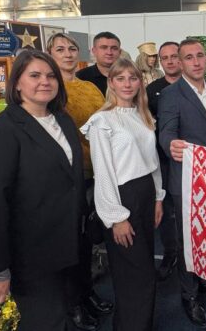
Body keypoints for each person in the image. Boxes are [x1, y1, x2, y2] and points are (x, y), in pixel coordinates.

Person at [0, 50, 86, 331]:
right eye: (34, 75)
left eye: (50, 76)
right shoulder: (2, 130)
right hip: (31, 254)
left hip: (67, 244)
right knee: (44, 322)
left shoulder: (62, 120)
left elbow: (71, 179)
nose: (44, 81)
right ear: (17, 84)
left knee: (61, 317)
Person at [82, 58, 165, 331]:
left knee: (144, 271)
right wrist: (116, 217)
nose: (127, 83)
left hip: (146, 193)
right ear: (111, 83)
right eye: (120, 78)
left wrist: (158, 197)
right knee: (135, 274)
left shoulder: (143, 116)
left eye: (132, 78)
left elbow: (152, 160)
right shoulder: (102, 121)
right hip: (122, 197)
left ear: (140, 82)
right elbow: (103, 172)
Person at [158, 39, 206, 328]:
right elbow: (165, 132)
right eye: (188, 57)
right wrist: (170, 145)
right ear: (180, 62)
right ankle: (189, 295)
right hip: (186, 180)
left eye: (200, 55)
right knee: (188, 242)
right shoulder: (171, 94)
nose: (196, 61)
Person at [47, 33, 113, 329]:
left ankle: (87, 294)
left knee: (87, 241)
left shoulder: (89, 87)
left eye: (72, 48)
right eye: (60, 49)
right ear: (49, 54)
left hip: (95, 171)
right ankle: (72, 303)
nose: (68, 53)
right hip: (67, 178)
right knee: (70, 244)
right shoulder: (50, 89)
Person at [146, 42, 182, 281]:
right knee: (167, 211)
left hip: (191, 161)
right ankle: (170, 254)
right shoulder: (152, 90)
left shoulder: (194, 87)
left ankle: (196, 258)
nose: (169, 61)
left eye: (174, 56)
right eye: (164, 58)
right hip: (162, 161)